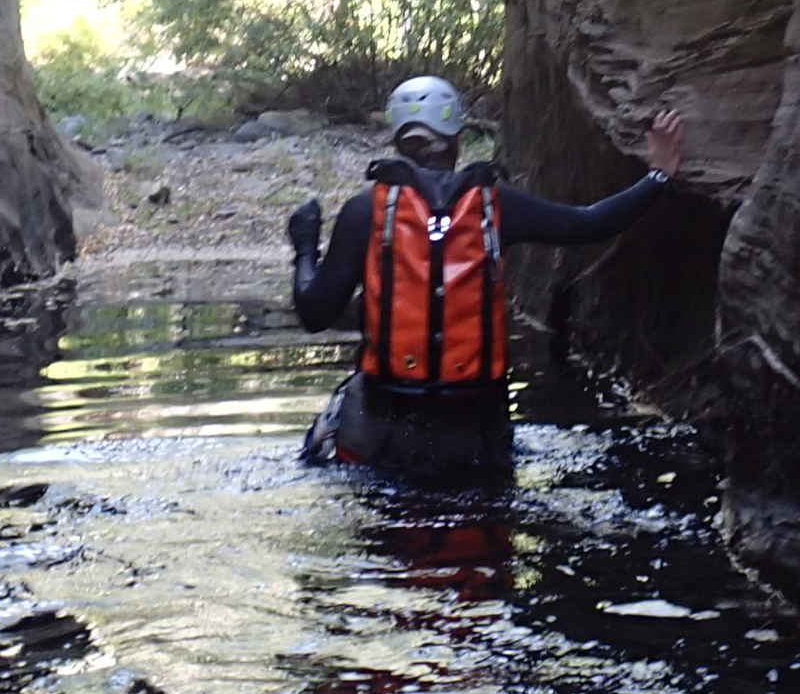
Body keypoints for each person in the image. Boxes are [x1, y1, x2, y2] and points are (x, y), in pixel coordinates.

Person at [287, 75, 686, 478]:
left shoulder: (364, 212)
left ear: (397, 140)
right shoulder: (497, 206)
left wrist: (305, 245)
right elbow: (590, 224)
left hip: (387, 434)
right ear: (458, 137)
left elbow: (314, 313)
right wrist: (658, 175)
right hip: (474, 435)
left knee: (333, 435)